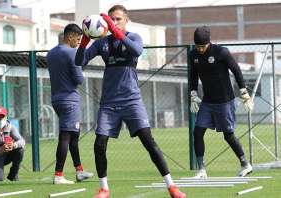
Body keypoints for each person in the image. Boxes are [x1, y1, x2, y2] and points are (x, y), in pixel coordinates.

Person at [75, 5, 186, 198]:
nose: (114, 22)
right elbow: (79, 61)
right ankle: (104, 189)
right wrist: (84, 42)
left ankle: (172, 186)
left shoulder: (134, 38)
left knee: (149, 142)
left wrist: (116, 30)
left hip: (132, 101)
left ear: (126, 20)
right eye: (111, 19)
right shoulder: (102, 43)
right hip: (109, 103)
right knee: (99, 144)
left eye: (117, 19)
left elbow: (136, 51)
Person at [189, 26, 254, 179]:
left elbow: (236, 70)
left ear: (209, 43)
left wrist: (244, 92)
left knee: (228, 135)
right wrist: (193, 93)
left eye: (203, 46)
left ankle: (245, 164)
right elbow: (193, 74)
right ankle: (202, 170)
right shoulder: (193, 55)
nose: (200, 49)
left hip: (225, 101)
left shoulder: (221, 52)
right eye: (197, 46)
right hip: (207, 101)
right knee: (197, 132)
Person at [47, 23, 93, 184]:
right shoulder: (72, 53)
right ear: (70, 36)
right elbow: (78, 79)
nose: (79, 43)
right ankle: (58, 175)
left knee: (73, 136)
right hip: (69, 100)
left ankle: (79, 171)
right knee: (65, 137)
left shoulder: (51, 53)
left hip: (57, 99)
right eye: (78, 39)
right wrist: (80, 68)